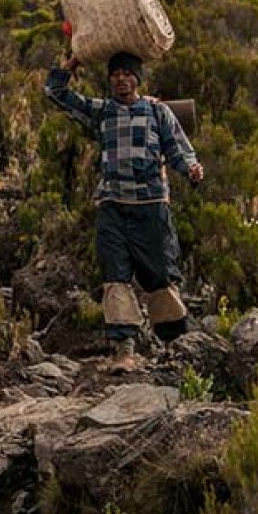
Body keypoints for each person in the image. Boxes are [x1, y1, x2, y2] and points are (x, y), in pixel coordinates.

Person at [44, 50, 203, 365]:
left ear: (137, 79)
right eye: (115, 74)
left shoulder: (158, 113)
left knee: (160, 276)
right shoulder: (102, 112)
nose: (120, 80)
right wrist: (71, 64)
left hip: (151, 208)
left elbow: (177, 150)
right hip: (113, 206)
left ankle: (178, 346)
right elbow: (57, 94)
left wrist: (192, 169)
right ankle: (124, 351)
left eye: (126, 74)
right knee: (115, 276)